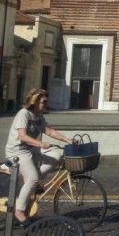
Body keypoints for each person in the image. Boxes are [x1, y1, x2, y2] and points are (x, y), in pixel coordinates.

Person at [3, 89, 75, 227]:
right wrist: (40, 143)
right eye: (44, 102)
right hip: (17, 151)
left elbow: (48, 131)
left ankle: (32, 184)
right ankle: (19, 212)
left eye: (47, 102)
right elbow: (22, 136)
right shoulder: (23, 114)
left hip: (32, 149)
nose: (46, 104)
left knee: (57, 156)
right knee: (33, 179)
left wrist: (67, 139)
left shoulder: (39, 115)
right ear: (35, 101)